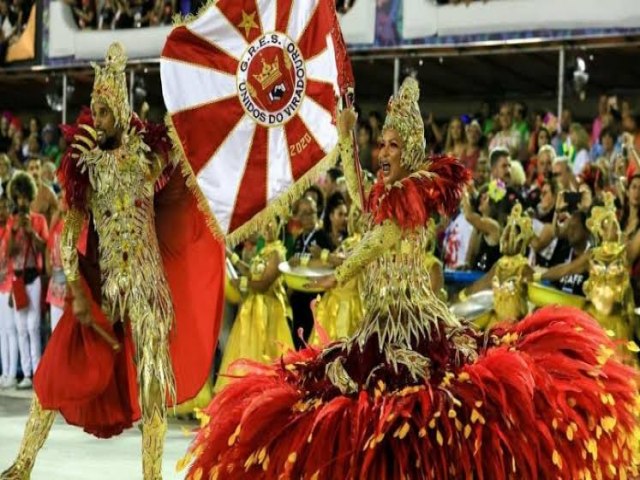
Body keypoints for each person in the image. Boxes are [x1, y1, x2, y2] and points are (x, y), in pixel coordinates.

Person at [183, 78, 640, 480]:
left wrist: (336, 272)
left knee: (415, 418)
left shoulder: (413, 200)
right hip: (379, 325)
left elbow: (378, 239)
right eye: (381, 144)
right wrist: (345, 137)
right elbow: (362, 200)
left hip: (414, 327)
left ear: (414, 151)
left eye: (393, 146)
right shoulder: (385, 194)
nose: (382, 153)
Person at [0, 42, 224, 480]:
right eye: (94, 110)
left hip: (149, 289)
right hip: (104, 286)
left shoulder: (148, 154)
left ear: (120, 109)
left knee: (153, 388)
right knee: (54, 373)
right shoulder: (83, 163)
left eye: (104, 111)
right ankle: (23, 464)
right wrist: (75, 285)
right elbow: (68, 232)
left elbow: (183, 153)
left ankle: (152, 476)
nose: (97, 120)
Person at [215, 222, 293, 393]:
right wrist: (230, 256)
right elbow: (250, 271)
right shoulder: (263, 251)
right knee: (247, 352)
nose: (267, 229)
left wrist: (240, 282)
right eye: (265, 225)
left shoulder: (277, 254)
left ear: (279, 226)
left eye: (271, 224)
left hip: (268, 313)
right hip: (252, 310)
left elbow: (263, 284)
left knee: (266, 354)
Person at [7, 171, 48, 390]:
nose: (22, 201)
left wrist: (32, 232)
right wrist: (14, 232)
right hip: (17, 279)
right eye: (18, 197)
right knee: (21, 327)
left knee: (33, 326)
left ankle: (38, 370)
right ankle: (27, 374)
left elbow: (44, 248)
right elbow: (8, 253)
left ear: (30, 197)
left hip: (33, 276)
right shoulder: (11, 222)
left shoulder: (39, 220)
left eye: (25, 196)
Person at [0, 191, 17, 389]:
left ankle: (13, 372)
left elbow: (13, 253)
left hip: (12, 283)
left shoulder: (12, 228)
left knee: (12, 330)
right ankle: (5, 371)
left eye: (4, 207)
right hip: (0, 283)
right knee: (3, 330)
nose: (1, 211)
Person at [26, 157, 58, 225]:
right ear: (27, 171)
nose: (34, 172)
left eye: (37, 168)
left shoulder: (48, 192)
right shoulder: (22, 193)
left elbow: (57, 214)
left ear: (41, 170)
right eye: (31, 168)